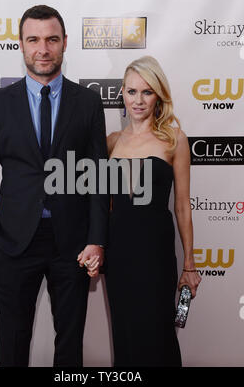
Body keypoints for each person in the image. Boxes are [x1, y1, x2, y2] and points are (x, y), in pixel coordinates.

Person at [0, 5, 108, 367]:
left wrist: (96, 238)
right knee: (12, 346)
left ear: (64, 44)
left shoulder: (89, 103)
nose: (42, 49)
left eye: (51, 39)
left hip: (73, 243)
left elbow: (97, 177)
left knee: (70, 348)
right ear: (21, 44)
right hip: (13, 242)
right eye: (34, 39)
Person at [100, 55, 202, 367]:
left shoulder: (174, 140)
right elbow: (104, 205)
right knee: (125, 332)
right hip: (119, 254)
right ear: (123, 95)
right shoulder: (112, 142)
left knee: (157, 333)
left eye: (147, 92)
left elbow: (183, 207)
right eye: (131, 92)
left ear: (158, 95)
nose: (138, 100)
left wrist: (189, 264)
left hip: (155, 254)